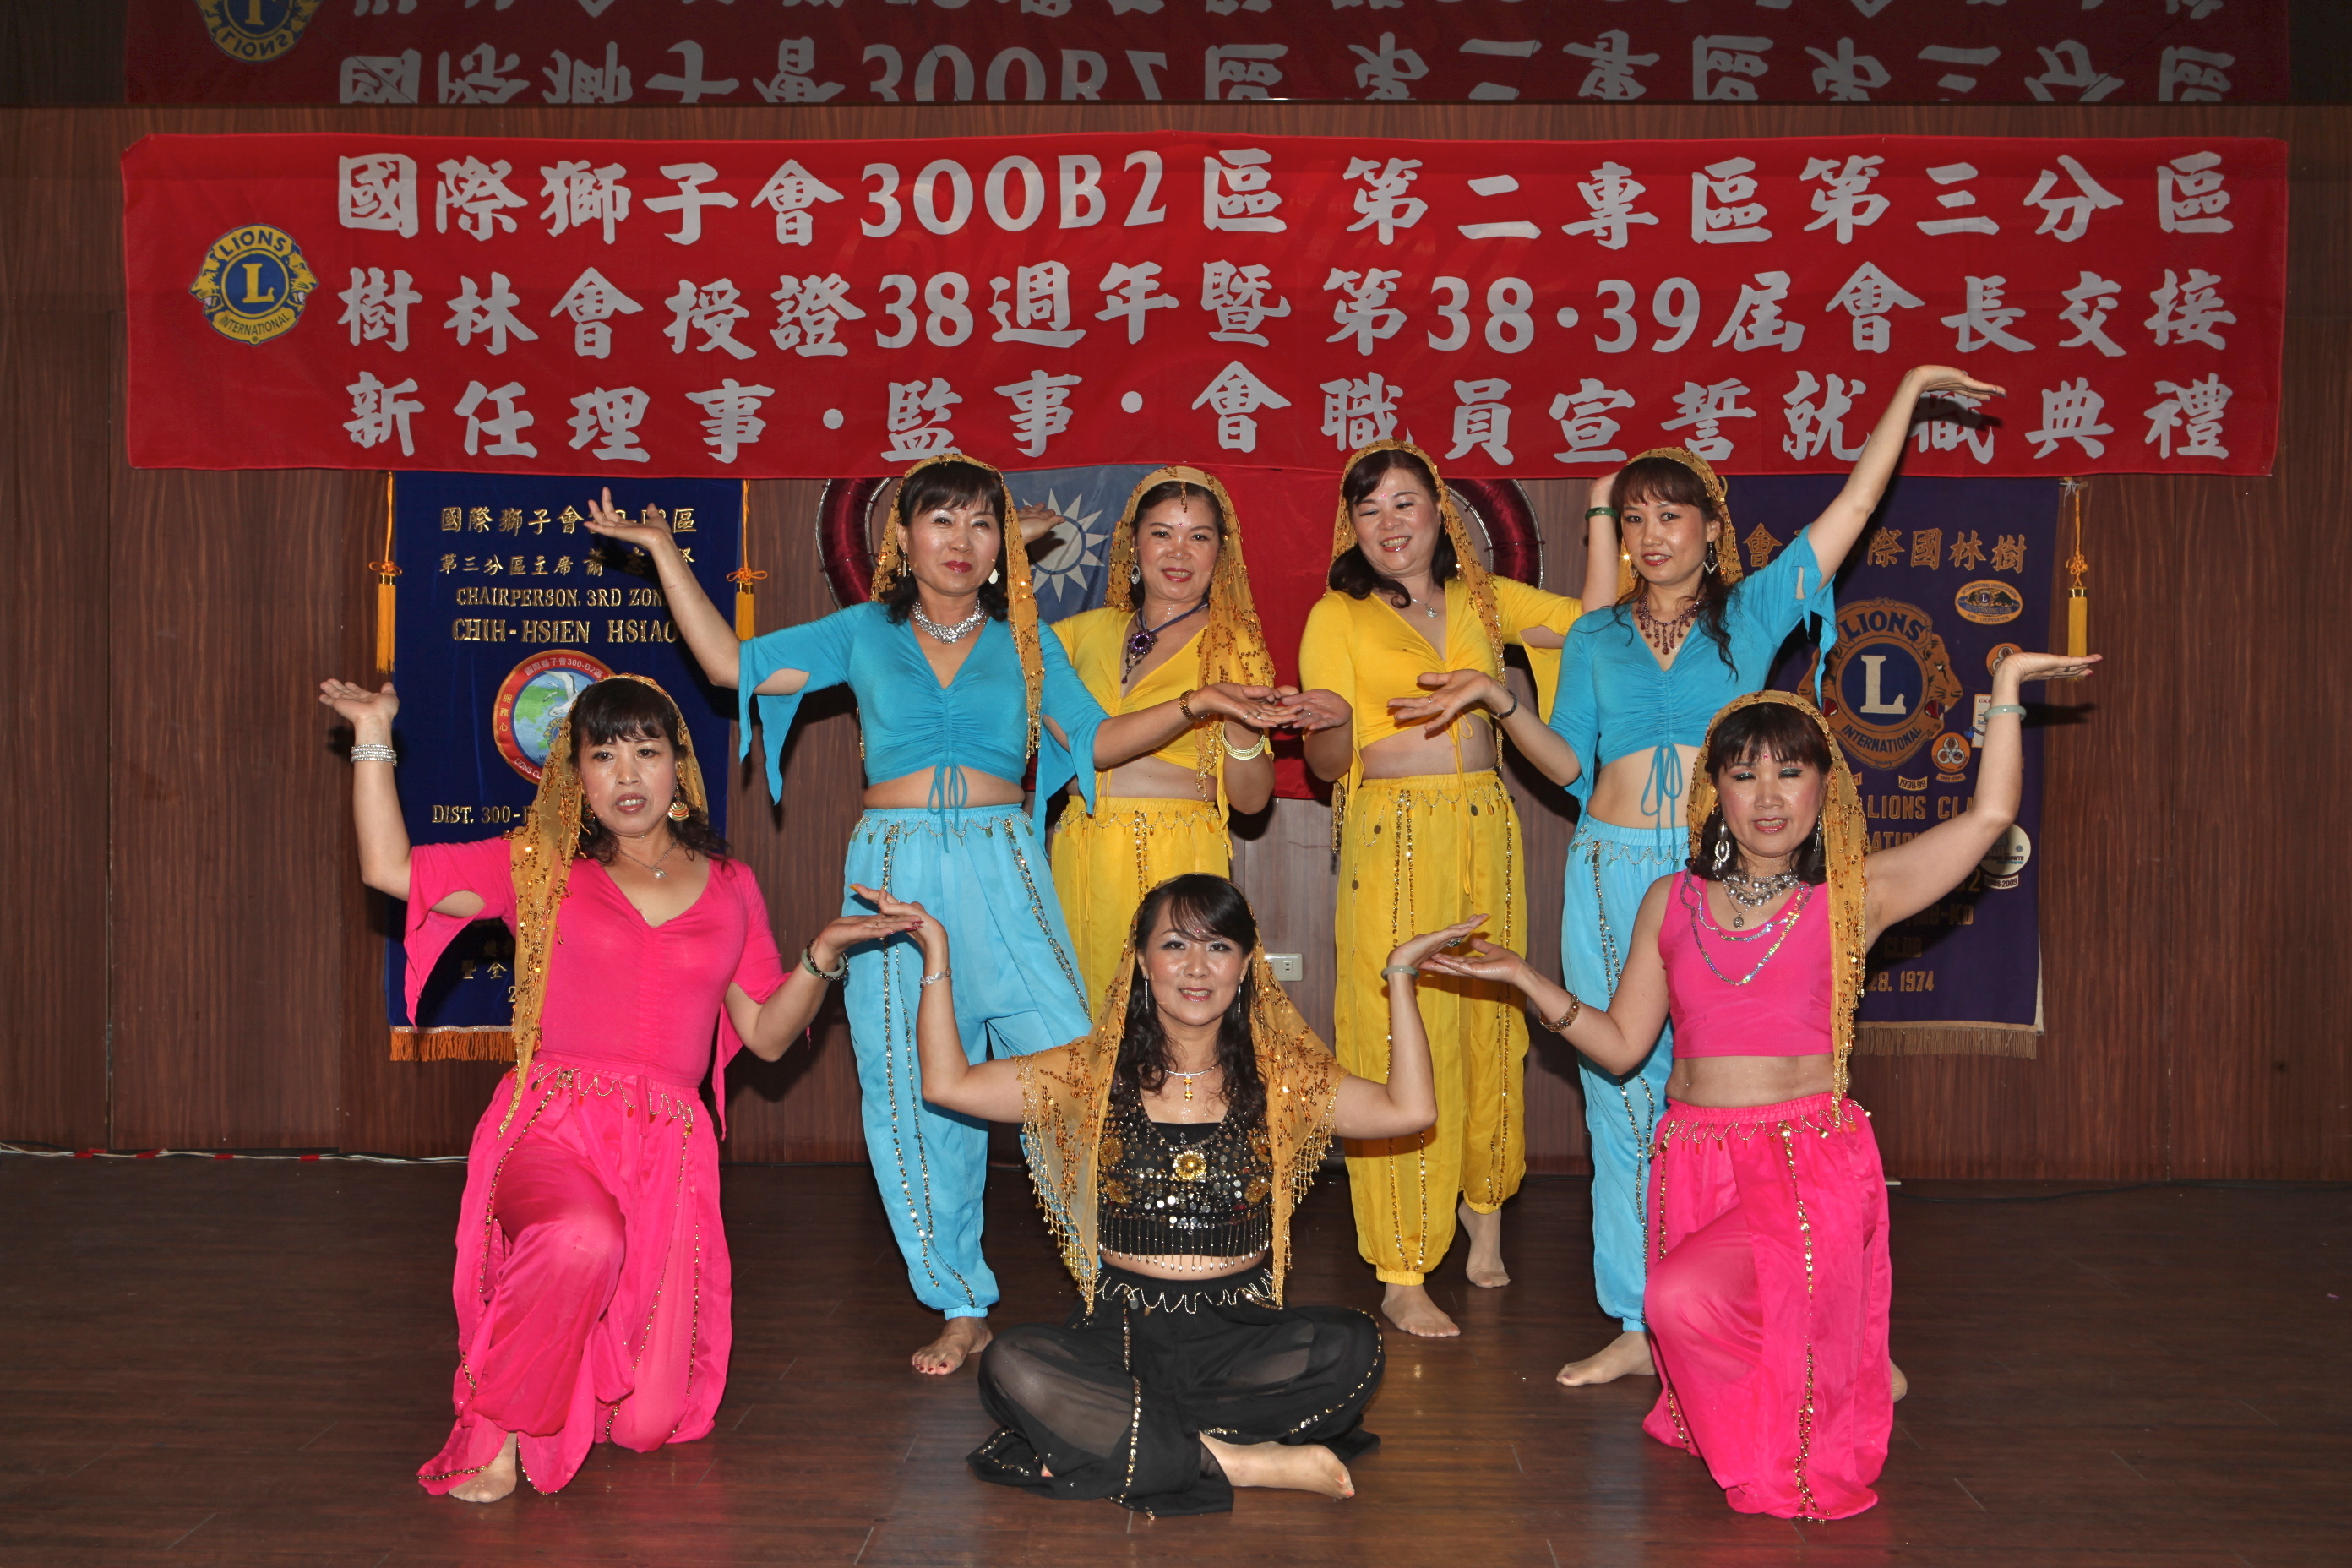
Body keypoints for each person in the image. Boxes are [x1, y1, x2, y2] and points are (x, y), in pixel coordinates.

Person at [587, 457, 1288, 1375]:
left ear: (1003, 548)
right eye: (942, 521)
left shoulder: (1028, 641)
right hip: (896, 877)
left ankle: (1129, 1277)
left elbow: (1097, 738)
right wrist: (662, 552)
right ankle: (960, 1300)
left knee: (1079, 1067)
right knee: (914, 1088)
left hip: (1006, 866)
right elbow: (731, 665)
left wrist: (1196, 703)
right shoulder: (862, 632)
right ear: (905, 538)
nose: (961, 541)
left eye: (981, 524)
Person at [1427, 653, 2099, 1519]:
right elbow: (1623, 1046)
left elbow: (1991, 817)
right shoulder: (1670, 901)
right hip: (1694, 1160)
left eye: (1791, 772)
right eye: (1745, 775)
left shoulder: (1852, 897)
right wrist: (1526, 980)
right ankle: (1839, 1356)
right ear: (1716, 791)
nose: (1770, 795)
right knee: (1705, 1315)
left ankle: (1830, 1374)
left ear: (1824, 786)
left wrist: (2004, 690)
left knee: (1679, 1298)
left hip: (1807, 1161)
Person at [316, 673, 912, 1502]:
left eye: (646, 751)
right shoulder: (542, 865)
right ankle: (496, 1428)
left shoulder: (732, 885)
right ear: (578, 779)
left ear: (678, 767)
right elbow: (389, 869)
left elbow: (768, 1035)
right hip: (551, 1126)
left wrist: (822, 955)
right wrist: (373, 736)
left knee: (644, 1422)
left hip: (668, 1155)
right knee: (579, 1238)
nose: (627, 774)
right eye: (603, 755)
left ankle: (549, 1362)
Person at [1544, 366, 2005, 1386]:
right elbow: (1569, 760)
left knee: (1740, 1103)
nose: (1651, 535)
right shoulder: (1596, 634)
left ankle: (1764, 1307)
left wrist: (1910, 391)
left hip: (1721, 871)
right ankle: (1639, 1320)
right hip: (1610, 872)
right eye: (1633, 518)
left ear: (1713, 527)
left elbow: (1853, 508)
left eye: (1672, 515)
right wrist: (1498, 701)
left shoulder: (1752, 612)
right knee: (1618, 1097)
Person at [901, 871, 1484, 1514]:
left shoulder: (1283, 1079)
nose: (1197, 967)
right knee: (1011, 1362)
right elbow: (948, 1085)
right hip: (1122, 1336)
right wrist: (937, 956)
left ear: (1245, 966)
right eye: (1175, 945)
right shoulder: (1087, 1074)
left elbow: (1409, 1110)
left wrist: (1400, 975)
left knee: (1354, 1345)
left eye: (1219, 947)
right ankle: (1236, 1459)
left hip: (1238, 1337)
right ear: (1142, 962)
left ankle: (1121, 1438)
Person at [1296, 440, 1614, 1338]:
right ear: (1352, 530)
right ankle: (1401, 1263)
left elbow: (1597, 624)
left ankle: (1485, 1209)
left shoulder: (1483, 598)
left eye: (1406, 502)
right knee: (1398, 1027)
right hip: (1392, 836)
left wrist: (1600, 513)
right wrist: (1328, 725)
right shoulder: (1337, 614)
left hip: (1485, 825)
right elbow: (1328, 764)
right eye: (1369, 510)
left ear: (1441, 512)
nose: (1390, 523)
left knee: (1490, 1020)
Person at [1049, 466, 1336, 1008]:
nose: (1179, 551)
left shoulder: (1232, 646)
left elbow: (1250, 800)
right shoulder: (1078, 635)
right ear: (1133, 545)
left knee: (1174, 1022)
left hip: (1177, 849)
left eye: (1198, 537)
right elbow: (993, 639)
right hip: (1081, 848)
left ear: (1219, 554)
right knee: (1083, 1024)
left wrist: (1242, 724)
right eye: (1162, 533)